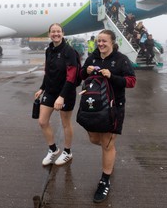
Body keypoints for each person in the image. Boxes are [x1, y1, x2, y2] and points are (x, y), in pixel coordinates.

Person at [80, 29, 136, 203]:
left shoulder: (121, 60)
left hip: (113, 107)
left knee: (107, 143)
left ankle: (105, 180)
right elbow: (80, 76)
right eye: (99, 41)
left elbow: (131, 81)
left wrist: (112, 76)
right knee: (94, 139)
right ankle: (110, 156)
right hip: (92, 107)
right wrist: (86, 71)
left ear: (112, 42)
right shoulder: (92, 58)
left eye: (104, 41)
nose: (101, 44)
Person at [34, 23, 79, 166]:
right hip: (51, 91)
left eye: (58, 31)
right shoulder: (49, 50)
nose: (56, 34)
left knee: (66, 123)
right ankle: (53, 149)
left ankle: (67, 152)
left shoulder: (69, 51)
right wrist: (42, 88)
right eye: (53, 32)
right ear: (49, 34)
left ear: (63, 33)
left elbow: (72, 77)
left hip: (66, 92)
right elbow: (48, 72)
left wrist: (62, 96)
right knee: (42, 121)